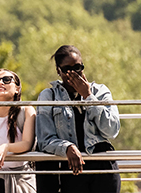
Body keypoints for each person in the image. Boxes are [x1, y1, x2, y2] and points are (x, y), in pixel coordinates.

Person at [34, 45, 121, 193]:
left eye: (78, 67)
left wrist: (88, 97)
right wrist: (66, 147)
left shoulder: (100, 91)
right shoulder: (49, 96)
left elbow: (111, 130)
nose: (73, 73)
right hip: (72, 167)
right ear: (58, 71)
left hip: (102, 164)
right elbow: (44, 139)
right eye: (67, 69)